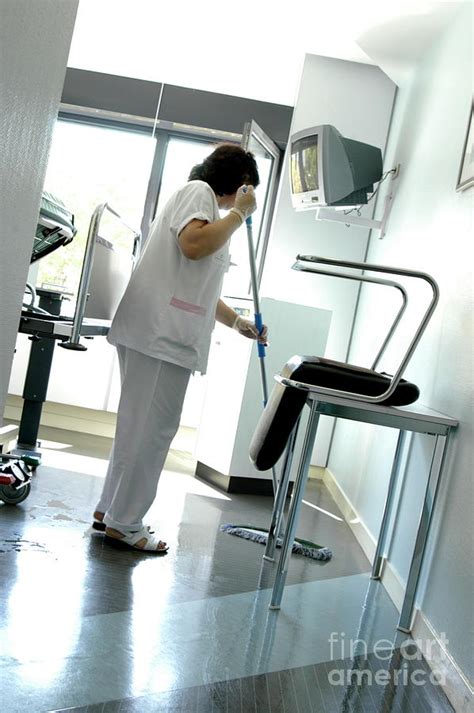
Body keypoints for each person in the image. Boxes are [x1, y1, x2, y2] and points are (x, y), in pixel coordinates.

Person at [92, 143, 267, 553]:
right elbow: (194, 245)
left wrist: (237, 321)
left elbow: (200, 287)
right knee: (152, 433)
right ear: (241, 184)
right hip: (160, 336)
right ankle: (127, 523)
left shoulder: (200, 203)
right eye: (248, 191)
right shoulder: (199, 193)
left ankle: (110, 511)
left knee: (137, 428)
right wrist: (240, 214)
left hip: (158, 332)